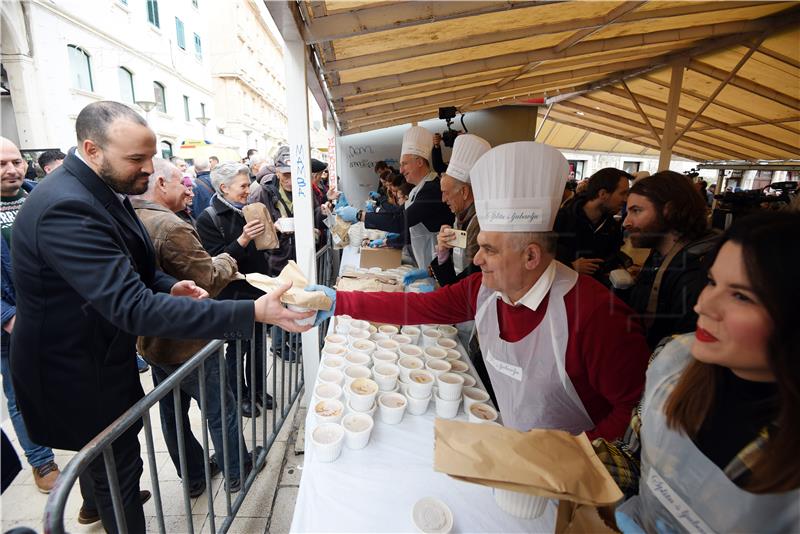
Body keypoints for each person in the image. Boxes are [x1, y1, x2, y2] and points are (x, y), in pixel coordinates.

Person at [10, 102, 312, 533]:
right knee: (119, 475)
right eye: (136, 159)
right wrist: (251, 311)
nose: (149, 170)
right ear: (92, 149)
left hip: (102, 357)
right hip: (74, 370)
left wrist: (169, 285)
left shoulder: (102, 189)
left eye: (151, 157)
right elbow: (129, 304)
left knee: (112, 467)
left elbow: (135, 265)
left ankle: (98, 503)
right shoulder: (66, 206)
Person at [311, 142, 650, 441]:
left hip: (571, 480)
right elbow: (414, 309)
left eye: (489, 249)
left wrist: (569, 459)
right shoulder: (483, 290)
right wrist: (340, 300)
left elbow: (634, 410)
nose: (476, 258)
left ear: (531, 256)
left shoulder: (597, 315)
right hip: (513, 449)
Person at [596, 211, 800, 532]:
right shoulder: (675, 363)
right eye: (712, 282)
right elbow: (635, 458)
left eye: (741, 296)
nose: (703, 305)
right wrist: (565, 456)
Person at [132, 158, 251, 497]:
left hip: (154, 341)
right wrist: (227, 259)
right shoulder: (170, 227)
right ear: (160, 185)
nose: (190, 187)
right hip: (189, 342)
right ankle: (237, 471)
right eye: (180, 182)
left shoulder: (133, 218)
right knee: (220, 409)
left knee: (173, 414)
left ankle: (194, 478)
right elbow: (207, 280)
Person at [0, 138, 61, 494]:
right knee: (20, 393)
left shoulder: (40, 194)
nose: (12, 169)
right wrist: (8, 316)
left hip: (53, 314)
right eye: (2, 164)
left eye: (16, 161)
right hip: (11, 327)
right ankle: (41, 461)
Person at [196, 162, 274, 418]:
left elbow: (262, 248)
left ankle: (259, 389)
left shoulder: (250, 210)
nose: (248, 190)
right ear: (224, 188)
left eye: (248, 183)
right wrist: (243, 239)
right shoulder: (209, 218)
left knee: (259, 344)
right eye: (243, 185)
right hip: (232, 295)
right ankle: (240, 394)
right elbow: (216, 261)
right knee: (237, 348)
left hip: (257, 287)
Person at [623, 171, 719, 349]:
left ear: (669, 210)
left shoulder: (697, 274)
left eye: (636, 211)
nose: (625, 222)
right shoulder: (662, 256)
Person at [337, 126, 452, 269]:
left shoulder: (432, 189)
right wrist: (389, 239)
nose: (401, 170)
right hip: (426, 259)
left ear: (420, 162)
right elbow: (398, 213)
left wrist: (360, 215)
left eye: (404, 164)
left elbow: (400, 221)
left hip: (437, 261)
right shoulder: (418, 189)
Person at [403, 134, 489, 288]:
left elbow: (465, 283)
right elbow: (454, 259)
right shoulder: (460, 218)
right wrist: (436, 264)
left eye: (446, 192)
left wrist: (441, 262)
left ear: (464, 192)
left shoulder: (480, 225)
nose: (443, 199)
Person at [553, 167, 632, 283]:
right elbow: (544, 255)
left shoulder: (611, 225)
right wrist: (570, 266)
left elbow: (612, 254)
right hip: (563, 289)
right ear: (603, 194)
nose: (626, 199)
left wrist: (623, 266)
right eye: (623, 193)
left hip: (596, 291)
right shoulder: (562, 218)